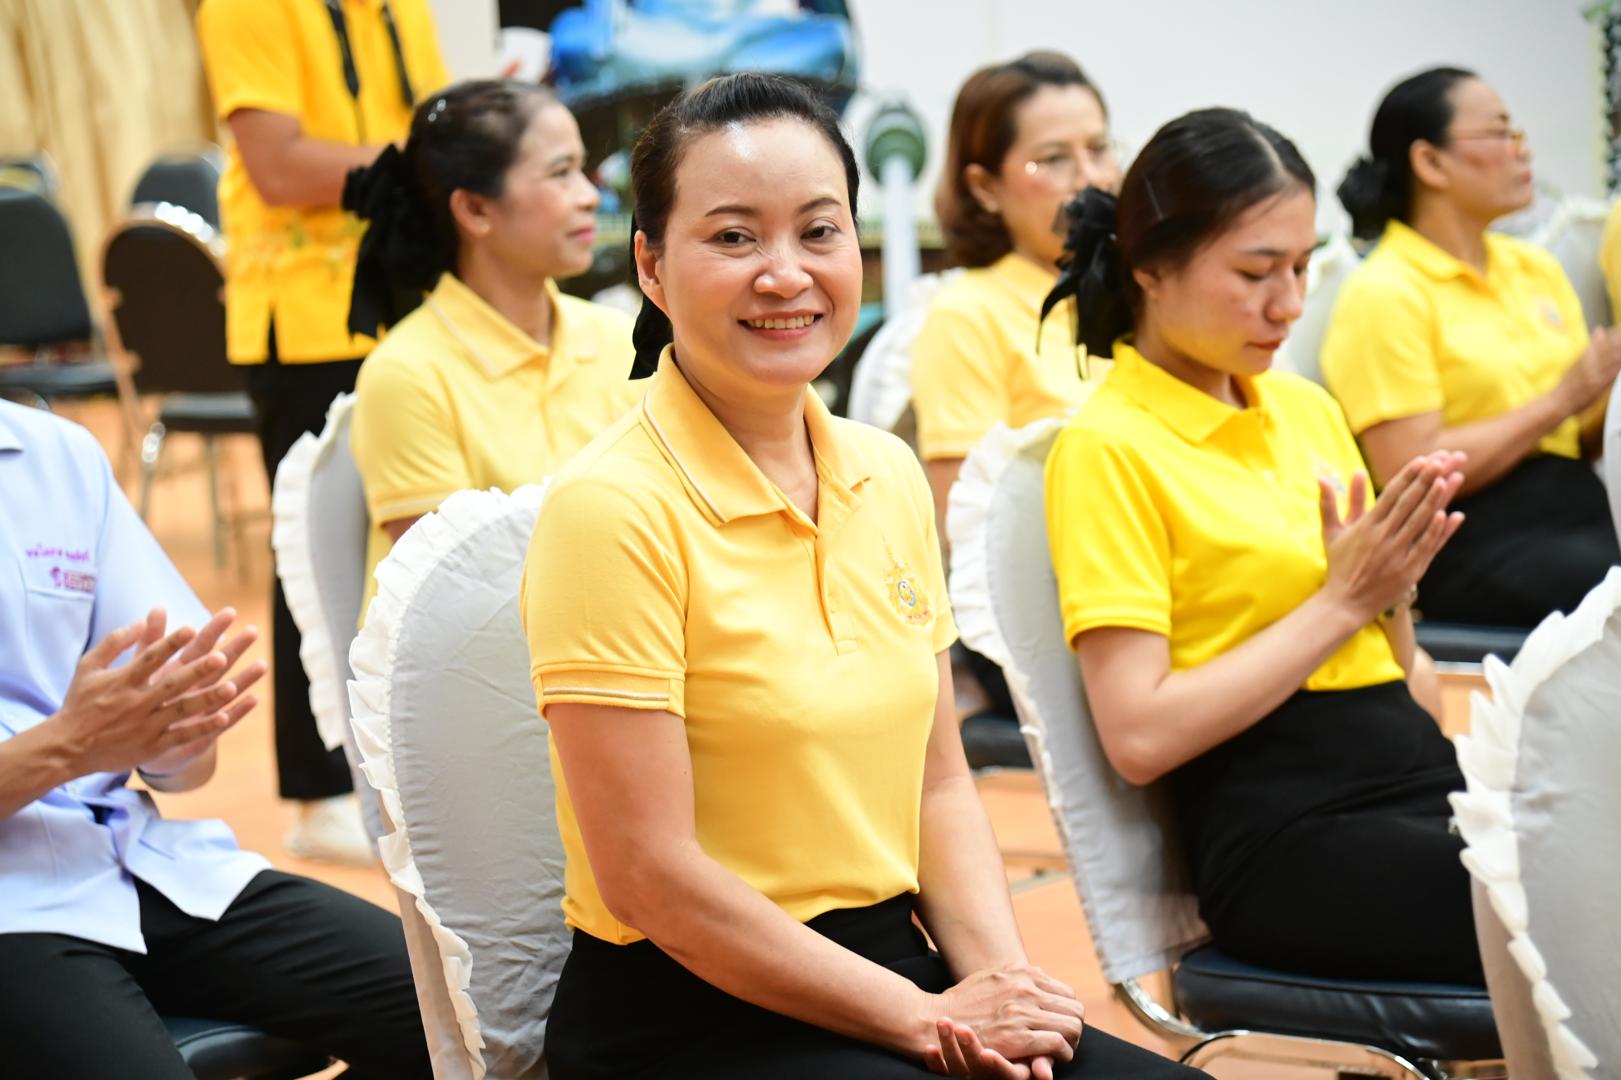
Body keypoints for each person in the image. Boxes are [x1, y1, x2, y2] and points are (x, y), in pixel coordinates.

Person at [520, 72, 1203, 1080]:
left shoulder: (884, 472)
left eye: (818, 231)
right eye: (733, 237)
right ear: (652, 266)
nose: (785, 274)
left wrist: (1002, 989)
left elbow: (937, 784)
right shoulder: (610, 509)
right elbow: (648, 877)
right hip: (689, 1014)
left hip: (896, 964)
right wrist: (927, 1022)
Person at [1042, 108, 1483, 985]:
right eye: (1254, 272)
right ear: (1149, 269)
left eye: (1301, 267)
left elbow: (1407, 678)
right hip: (1288, 835)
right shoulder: (1107, 448)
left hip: (1409, 775)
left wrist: (1390, 590)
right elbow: (1137, 735)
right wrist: (1343, 601)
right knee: (1572, 902)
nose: (1288, 303)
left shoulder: (1303, 407)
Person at [0, 400, 431, 1078]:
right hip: (14, 910)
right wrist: (69, 746)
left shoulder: (55, 455)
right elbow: (80, 740)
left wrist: (174, 725)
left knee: (467, 1021)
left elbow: (181, 758)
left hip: (133, 864)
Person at [195, 0, 451, 862]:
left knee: (414, 548)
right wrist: (440, 167)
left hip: (404, 296)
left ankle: (403, 766)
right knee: (317, 550)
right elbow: (277, 167)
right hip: (304, 317)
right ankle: (317, 791)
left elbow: (433, 125)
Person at [1322, 67, 1620, 627]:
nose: (1521, 149)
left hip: (1575, 503)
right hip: (1464, 533)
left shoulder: (1533, 268)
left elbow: (1577, 435)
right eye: (1501, 132)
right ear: (1429, 162)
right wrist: (1562, 399)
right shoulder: (1385, 291)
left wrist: (1603, 388)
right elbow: (1410, 466)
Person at [346, 79, 639, 613]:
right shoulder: (406, 373)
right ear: (475, 210)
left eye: (583, 168)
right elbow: (451, 597)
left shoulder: (619, 338)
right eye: (560, 173)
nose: (590, 195)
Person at [910, 51, 1123, 747]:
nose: (1090, 177)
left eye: (1099, 149)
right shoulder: (968, 313)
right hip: (1053, 616)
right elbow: (966, 525)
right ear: (984, 187)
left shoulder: (1134, 295)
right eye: (1054, 159)